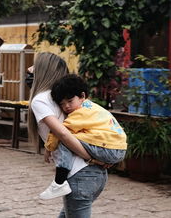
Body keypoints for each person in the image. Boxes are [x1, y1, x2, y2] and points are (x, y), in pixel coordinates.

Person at [28, 52, 108, 218]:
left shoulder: (41, 100)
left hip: (80, 174)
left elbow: (63, 134)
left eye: (35, 67)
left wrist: (92, 158)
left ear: (42, 70)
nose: (30, 70)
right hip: (94, 174)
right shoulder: (65, 98)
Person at [39, 74, 127, 200]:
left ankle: (59, 182)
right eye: (62, 104)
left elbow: (60, 132)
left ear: (82, 96)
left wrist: (48, 148)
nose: (67, 107)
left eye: (70, 101)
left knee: (65, 139)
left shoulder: (79, 113)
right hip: (116, 146)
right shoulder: (91, 107)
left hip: (109, 148)